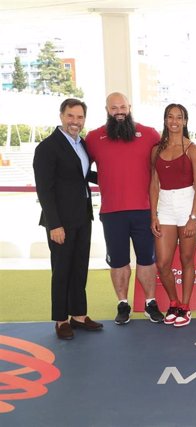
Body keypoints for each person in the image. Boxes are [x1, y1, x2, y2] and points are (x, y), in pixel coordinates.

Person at [85, 92, 164, 325]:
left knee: (147, 260)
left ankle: (150, 303)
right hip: (112, 213)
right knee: (118, 261)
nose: (119, 111)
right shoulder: (93, 137)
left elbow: (161, 169)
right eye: (113, 108)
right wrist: (105, 179)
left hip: (143, 211)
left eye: (122, 107)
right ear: (107, 110)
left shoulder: (149, 134)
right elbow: (79, 167)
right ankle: (123, 304)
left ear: (129, 107)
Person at [33, 98, 103, 339]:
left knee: (80, 266)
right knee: (62, 269)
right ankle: (61, 319)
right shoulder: (47, 147)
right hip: (60, 220)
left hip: (83, 215)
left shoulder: (81, 144)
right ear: (61, 116)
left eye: (80, 117)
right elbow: (44, 189)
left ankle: (79, 315)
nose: (75, 121)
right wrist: (55, 224)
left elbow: (81, 175)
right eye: (71, 116)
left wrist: (114, 176)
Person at [150, 104, 196, 328]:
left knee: (186, 260)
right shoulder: (156, 150)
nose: (174, 121)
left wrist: (192, 217)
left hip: (187, 204)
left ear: (185, 121)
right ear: (165, 120)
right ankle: (173, 302)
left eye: (179, 117)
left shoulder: (193, 149)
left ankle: (185, 306)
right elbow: (154, 184)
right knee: (162, 263)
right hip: (165, 206)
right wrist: (154, 215)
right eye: (170, 117)